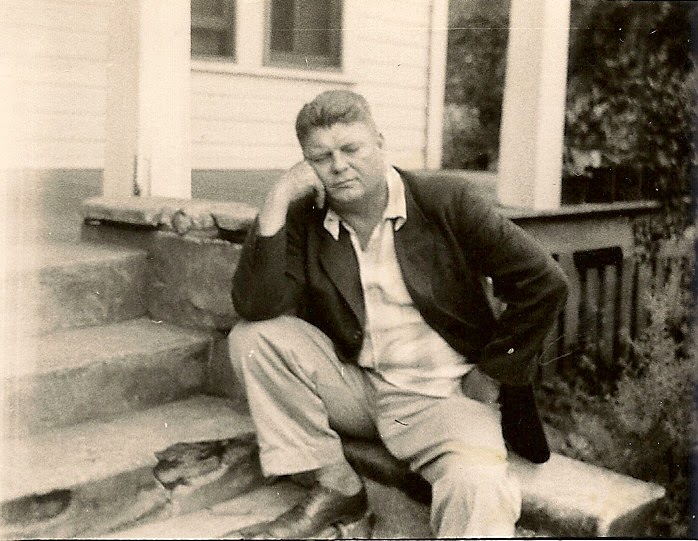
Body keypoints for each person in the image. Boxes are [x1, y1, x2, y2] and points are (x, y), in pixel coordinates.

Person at [225, 89, 569, 538]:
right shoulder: (308, 218)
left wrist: (492, 371)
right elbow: (257, 305)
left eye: (351, 149)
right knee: (253, 340)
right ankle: (335, 483)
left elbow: (544, 282)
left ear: (380, 142)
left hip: (442, 398)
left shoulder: (444, 200)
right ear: (307, 164)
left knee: (476, 486)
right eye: (321, 157)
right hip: (359, 387)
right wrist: (278, 198)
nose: (339, 165)